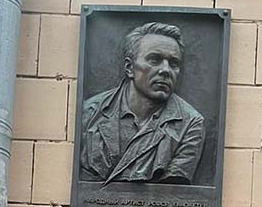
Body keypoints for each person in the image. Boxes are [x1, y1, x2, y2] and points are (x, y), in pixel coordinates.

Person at [80, 21, 205, 185]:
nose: (165, 70)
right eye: (154, 60)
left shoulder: (191, 124)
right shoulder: (89, 113)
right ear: (129, 68)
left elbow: (172, 191)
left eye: (174, 63)